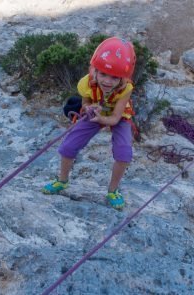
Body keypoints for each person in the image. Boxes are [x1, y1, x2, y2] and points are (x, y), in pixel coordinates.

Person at [42, 37, 136, 210]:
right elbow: (85, 103)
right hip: (96, 111)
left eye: (115, 77)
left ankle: (113, 191)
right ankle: (62, 180)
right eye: (103, 74)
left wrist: (102, 119)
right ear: (95, 71)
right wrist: (88, 108)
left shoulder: (126, 89)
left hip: (118, 115)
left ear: (123, 78)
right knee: (68, 146)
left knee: (124, 153)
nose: (107, 81)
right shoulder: (87, 82)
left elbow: (115, 118)